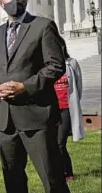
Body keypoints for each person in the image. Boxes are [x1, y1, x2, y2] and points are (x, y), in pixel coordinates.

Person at [0, 0, 70, 193]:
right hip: (6, 121)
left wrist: (25, 86)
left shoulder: (42, 26)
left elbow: (56, 66)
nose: (15, 1)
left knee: (53, 180)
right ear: (1, 3)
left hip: (38, 117)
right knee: (13, 181)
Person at [54, 37, 85, 181]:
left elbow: (78, 87)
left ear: (63, 47)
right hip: (51, 110)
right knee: (51, 144)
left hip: (65, 109)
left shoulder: (71, 63)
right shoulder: (46, 66)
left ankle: (68, 173)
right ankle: (57, 172)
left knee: (60, 143)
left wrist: (74, 104)